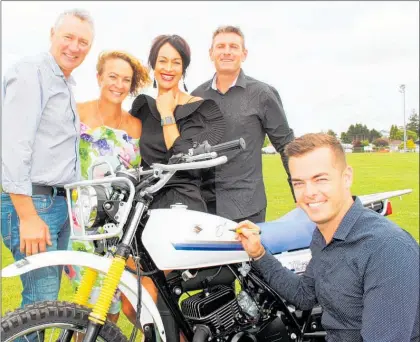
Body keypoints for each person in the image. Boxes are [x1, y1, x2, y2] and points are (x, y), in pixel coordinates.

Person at [236, 133, 419, 342]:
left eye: (320, 179)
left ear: (347, 177)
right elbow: (304, 296)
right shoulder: (323, 236)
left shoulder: (387, 250)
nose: (309, 192)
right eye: (299, 183)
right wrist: (259, 253)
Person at [129, 34, 226, 342]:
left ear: (184, 68)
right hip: (146, 207)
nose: (168, 68)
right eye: (162, 61)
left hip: (182, 204)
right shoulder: (142, 106)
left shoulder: (201, 108)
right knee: (136, 289)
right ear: (152, 65)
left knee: (161, 287)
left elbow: (184, 156)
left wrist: (169, 112)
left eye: (176, 62)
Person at [1, 7, 94, 315]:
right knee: (39, 306)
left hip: (58, 203)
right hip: (34, 203)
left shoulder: (65, 84)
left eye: (83, 42)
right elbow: (13, 145)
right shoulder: (32, 72)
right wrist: (27, 216)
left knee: (45, 301)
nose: (74, 47)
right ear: (52, 35)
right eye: (68, 37)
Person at [64, 50, 150, 325]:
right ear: (99, 76)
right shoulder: (76, 112)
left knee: (108, 309)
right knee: (83, 307)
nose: (118, 84)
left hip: (115, 227)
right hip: (80, 225)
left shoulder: (136, 127)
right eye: (112, 76)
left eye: (125, 79)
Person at [192, 25, 295, 223]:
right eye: (220, 46)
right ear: (211, 53)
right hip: (203, 208)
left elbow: (286, 146)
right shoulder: (196, 97)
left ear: (244, 54)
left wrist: (300, 196)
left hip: (247, 207)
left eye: (233, 46)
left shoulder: (263, 94)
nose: (227, 51)